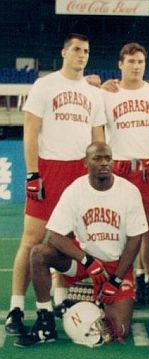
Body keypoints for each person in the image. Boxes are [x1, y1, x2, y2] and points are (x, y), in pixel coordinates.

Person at [5, 33, 106, 336]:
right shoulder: (44, 86)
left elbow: (98, 135)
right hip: (49, 169)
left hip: (80, 170)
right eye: (76, 49)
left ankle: (60, 300)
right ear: (64, 52)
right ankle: (17, 307)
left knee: (70, 239)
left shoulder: (93, 92)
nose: (81, 54)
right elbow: (31, 129)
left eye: (86, 50)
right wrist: (33, 173)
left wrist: (99, 174)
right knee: (32, 238)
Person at [14, 142, 148, 347]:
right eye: (97, 159)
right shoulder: (75, 190)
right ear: (86, 162)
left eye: (108, 158)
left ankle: (92, 299)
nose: (104, 163)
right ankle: (45, 320)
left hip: (115, 264)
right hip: (84, 262)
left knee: (118, 331)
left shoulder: (129, 191)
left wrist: (116, 279)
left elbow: (135, 239)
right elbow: (54, 234)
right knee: (38, 253)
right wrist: (87, 261)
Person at [102, 42, 149, 307]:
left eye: (140, 62)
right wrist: (94, 84)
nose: (136, 67)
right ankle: (120, 279)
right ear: (120, 64)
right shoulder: (106, 94)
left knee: (148, 229)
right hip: (119, 167)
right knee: (118, 229)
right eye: (131, 62)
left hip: (148, 167)